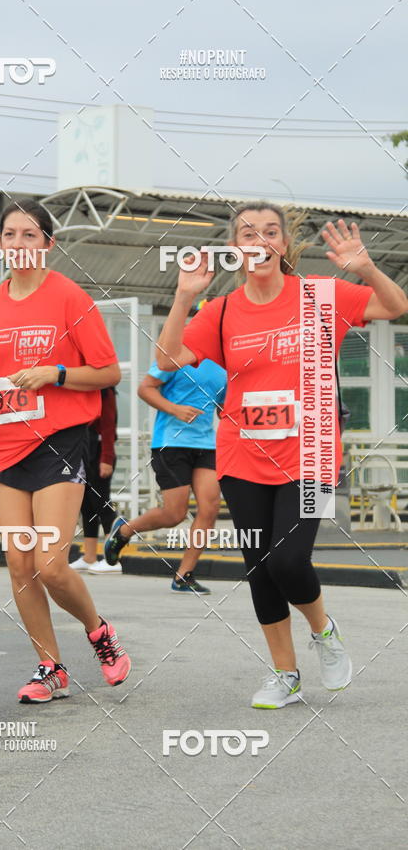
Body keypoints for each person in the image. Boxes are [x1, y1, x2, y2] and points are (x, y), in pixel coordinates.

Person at [156, 201, 408, 708]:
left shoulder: (320, 295)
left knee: (289, 560)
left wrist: (366, 269)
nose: (261, 240)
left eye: (271, 232)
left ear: (284, 245)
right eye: (249, 233)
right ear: (236, 249)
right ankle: (285, 674)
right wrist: (185, 298)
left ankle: (323, 630)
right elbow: (166, 360)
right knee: (259, 564)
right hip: (240, 457)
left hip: (312, 453)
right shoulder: (222, 311)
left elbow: (395, 307)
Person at [0, 200, 131, 703]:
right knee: (19, 564)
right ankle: (50, 668)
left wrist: (55, 373)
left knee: (51, 563)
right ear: (0, 244)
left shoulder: (69, 298)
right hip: (4, 442)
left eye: (30, 235)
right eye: (10, 235)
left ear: (48, 245)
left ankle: (100, 633)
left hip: (58, 440)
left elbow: (108, 373)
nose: (19, 244)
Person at [104, 341, 226, 594]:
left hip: (206, 444)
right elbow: (145, 388)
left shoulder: (225, 367)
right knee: (175, 514)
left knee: (210, 507)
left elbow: (225, 408)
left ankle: (184, 575)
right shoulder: (177, 357)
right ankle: (125, 530)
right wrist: (175, 409)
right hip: (171, 442)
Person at [70, 387, 121, 574]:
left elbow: (108, 424)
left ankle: (113, 559)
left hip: (100, 450)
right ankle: (89, 556)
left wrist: (106, 458)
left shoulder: (105, 390)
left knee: (102, 502)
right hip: (84, 448)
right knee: (86, 504)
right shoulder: (82, 390)